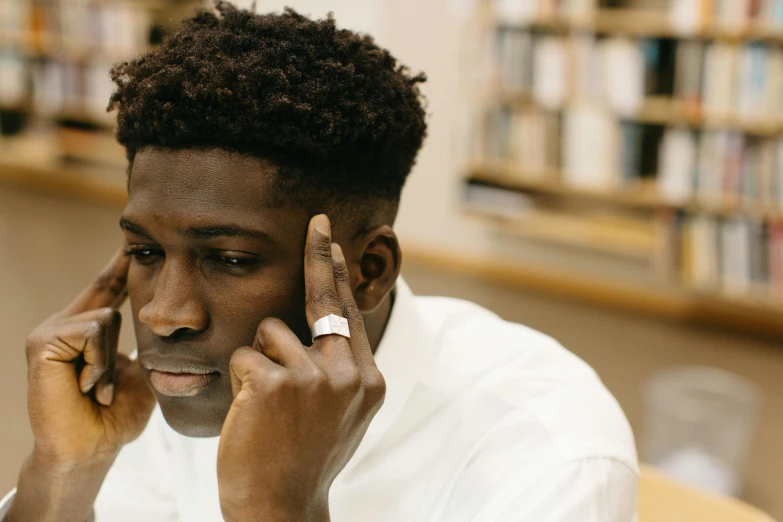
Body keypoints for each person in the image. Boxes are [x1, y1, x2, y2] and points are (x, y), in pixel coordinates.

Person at [1, 3, 638, 521]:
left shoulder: (552, 459)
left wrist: (279, 508)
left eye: (229, 258)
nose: (164, 315)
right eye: (145, 251)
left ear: (368, 271)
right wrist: (64, 473)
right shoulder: (169, 385)